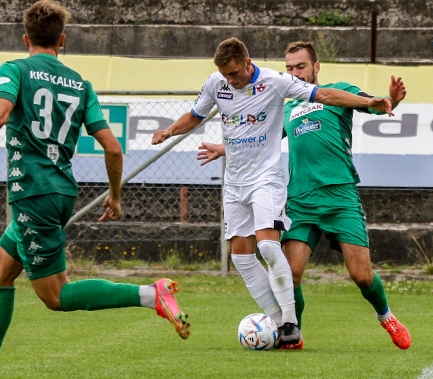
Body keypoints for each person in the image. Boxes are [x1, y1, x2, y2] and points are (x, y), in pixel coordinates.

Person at [0, 0, 190, 379]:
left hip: (33, 192)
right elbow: (114, 149)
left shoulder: (14, 69)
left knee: (55, 296)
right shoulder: (80, 84)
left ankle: (150, 294)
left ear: (25, 38)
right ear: (62, 41)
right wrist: (115, 198)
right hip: (60, 190)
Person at [153, 37, 393, 349]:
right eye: (226, 76)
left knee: (268, 248)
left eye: (235, 73)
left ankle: (292, 322)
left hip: (267, 179)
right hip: (235, 183)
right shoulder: (217, 83)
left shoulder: (276, 82)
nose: (231, 80)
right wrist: (171, 130)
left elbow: (325, 94)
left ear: (247, 62)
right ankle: (278, 322)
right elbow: (195, 116)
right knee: (241, 257)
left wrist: (369, 101)